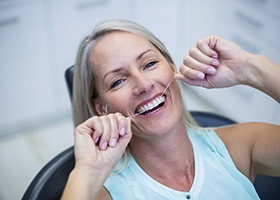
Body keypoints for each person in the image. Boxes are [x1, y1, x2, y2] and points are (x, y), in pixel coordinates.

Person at [61, 19, 280, 200]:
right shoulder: (106, 194)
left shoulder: (240, 146)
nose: (144, 85)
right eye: (118, 81)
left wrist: (251, 70)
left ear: (172, 67)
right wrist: (88, 173)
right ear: (101, 108)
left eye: (149, 64)